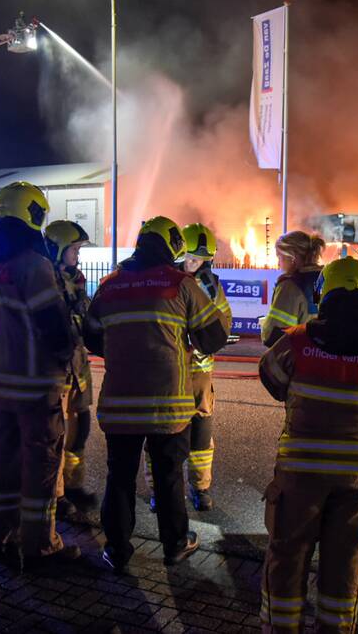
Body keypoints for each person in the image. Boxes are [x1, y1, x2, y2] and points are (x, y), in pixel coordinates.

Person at [258, 257, 358, 632]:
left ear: (322, 296)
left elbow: (271, 378)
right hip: (357, 480)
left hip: (300, 474)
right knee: (345, 564)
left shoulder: (294, 342)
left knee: (287, 557)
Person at [84, 216, 230, 571]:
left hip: (119, 405)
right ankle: (175, 545)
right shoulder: (181, 284)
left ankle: (116, 550)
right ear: (171, 247)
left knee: (118, 477)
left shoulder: (109, 284)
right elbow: (214, 337)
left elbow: (90, 336)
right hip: (169, 405)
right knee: (168, 477)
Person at [0, 181, 78, 569]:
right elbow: (54, 327)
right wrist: (67, 356)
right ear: (34, 214)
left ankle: (1, 538)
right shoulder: (34, 265)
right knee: (41, 466)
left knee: (1, 460)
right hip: (36, 388)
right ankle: (39, 546)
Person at [144, 222, 232, 512]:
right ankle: (160, 490)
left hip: (199, 372)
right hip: (168, 370)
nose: (194, 265)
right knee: (162, 432)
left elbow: (223, 322)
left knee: (201, 435)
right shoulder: (164, 281)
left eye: (201, 260)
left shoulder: (210, 285)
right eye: (191, 258)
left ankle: (200, 488)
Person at [42, 220, 98, 524]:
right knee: (58, 435)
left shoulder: (76, 278)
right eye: (74, 249)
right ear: (58, 249)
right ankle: (58, 494)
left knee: (80, 431)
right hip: (58, 370)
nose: (77, 254)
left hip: (78, 369)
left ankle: (74, 486)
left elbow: (84, 317)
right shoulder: (45, 281)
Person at [261, 230, 325, 347]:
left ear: (292, 257)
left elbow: (273, 334)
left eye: (279, 257)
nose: (278, 263)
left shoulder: (289, 286)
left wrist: (265, 328)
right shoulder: (327, 278)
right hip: (325, 357)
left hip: (300, 356)